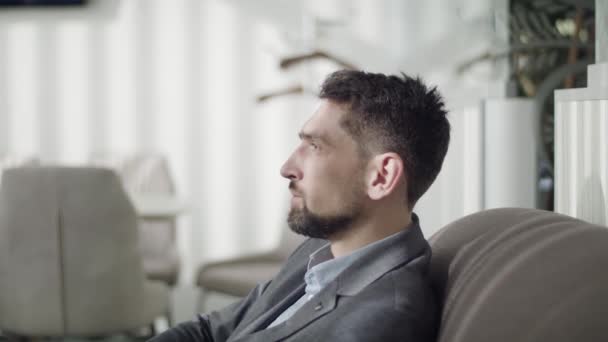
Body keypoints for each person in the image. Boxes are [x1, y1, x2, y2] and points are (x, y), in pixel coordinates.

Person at [150, 70, 450, 341]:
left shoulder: (381, 320)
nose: (287, 167)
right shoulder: (318, 252)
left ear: (381, 176)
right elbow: (211, 330)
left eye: (315, 146)